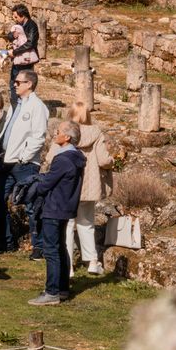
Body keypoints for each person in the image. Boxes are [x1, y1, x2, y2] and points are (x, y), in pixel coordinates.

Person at [0, 70, 49, 258]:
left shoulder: (37, 106)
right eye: (14, 82)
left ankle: (38, 246)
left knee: (32, 205)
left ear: (29, 84)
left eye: (18, 82)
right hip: (8, 160)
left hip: (25, 163)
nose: (14, 84)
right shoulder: (16, 104)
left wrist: (24, 157)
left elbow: (38, 136)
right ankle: (6, 241)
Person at [30, 121, 86, 305]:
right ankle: (62, 288)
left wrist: (37, 185)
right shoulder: (77, 157)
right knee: (61, 247)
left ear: (67, 137)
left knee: (51, 250)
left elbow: (46, 185)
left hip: (54, 207)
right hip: (65, 207)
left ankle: (52, 292)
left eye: (58, 131)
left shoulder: (62, 159)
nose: (55, 133)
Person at [64, 102, 115, 276]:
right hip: (89, 185)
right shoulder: (96, 132)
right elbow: (103, 160)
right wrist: (112, 161)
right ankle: (92, 262)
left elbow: (52, 156)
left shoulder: (65, 131)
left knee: (68, 225)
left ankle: (68, 266)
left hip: (69, 184)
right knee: (86, 223)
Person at [8, 4, 40, 106]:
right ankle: (15, 106)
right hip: (17, 60)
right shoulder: (18, 25)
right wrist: (12, 35)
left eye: (16, 17)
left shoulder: (32, 26)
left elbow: (30, 43)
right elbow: (9, 35)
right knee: (13, 83)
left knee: (25, 85)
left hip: (26, 61)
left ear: (23, 15)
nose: (15, 19)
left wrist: (15, 52)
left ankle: (25, 106)